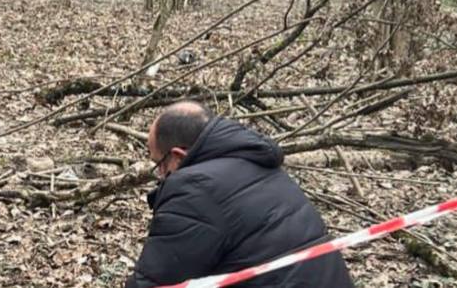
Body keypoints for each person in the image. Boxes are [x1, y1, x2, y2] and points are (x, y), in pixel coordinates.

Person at [126, 101, 355, 288]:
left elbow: (155, 281)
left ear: (177, 156)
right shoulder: (259, 164)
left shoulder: (194, 188)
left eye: (159, 163)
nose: (160, 173)